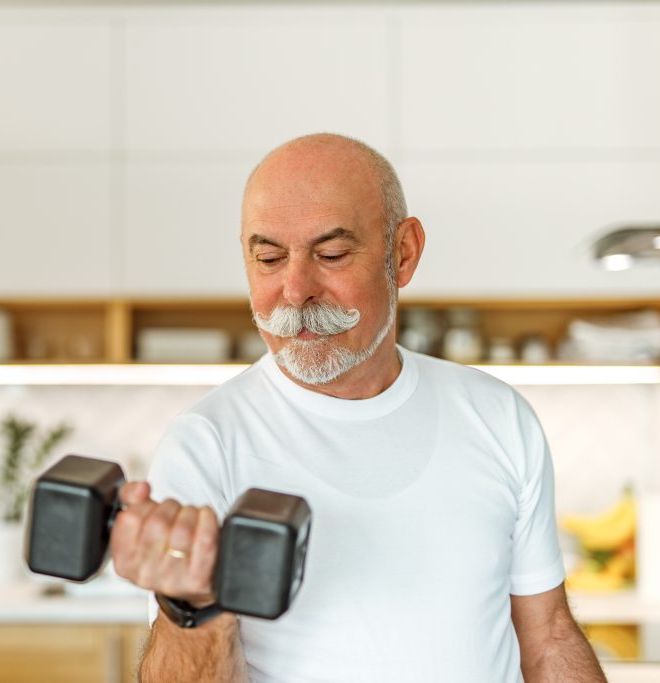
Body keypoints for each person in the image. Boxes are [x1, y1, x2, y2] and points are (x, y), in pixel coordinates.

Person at [109, 133, 606, 682]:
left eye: (332, 254)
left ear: (403, 254)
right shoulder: (208, 442)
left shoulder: (497, 416)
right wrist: (194, 609)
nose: (295, 289)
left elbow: (550, 636)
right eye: (269, 257)